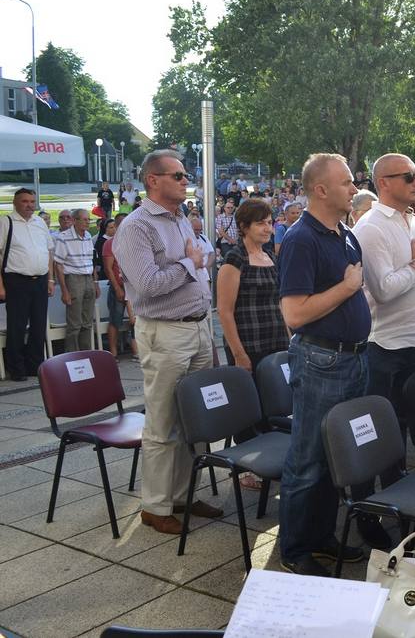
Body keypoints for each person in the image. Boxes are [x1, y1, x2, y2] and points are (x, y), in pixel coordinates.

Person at [114, 150, 222, 535]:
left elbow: (201, 259)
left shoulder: (180, 219)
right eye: (177, 175)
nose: (185, 179)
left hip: (198, 327)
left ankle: (183, 495)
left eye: (185, 174)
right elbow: (148, 285)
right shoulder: (137, 227)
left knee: (195, 419)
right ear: (152, 180)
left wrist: (199, 260)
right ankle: (155, 506)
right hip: (165, 332)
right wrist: (191, 264)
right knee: (162, 423)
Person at [277, 152, 369, 576]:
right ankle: (295, 548)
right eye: (347, 182)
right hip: (321, 361)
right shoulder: (302, 239)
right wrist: (347, 288)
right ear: (320, 189)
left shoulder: (345, 234)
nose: (354, 188)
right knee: (308, 458)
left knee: (334, 457)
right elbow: (295, 314)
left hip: (351, 358)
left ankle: (321, 538)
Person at [353, 153, 415, 549]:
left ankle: (397, 500)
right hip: (382, 344)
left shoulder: (414, 222)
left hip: (412, 341)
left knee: (401, 427)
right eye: (408, 177)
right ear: (384, 183)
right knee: (372, 431)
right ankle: (363, 510)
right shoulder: (370, 227)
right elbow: (383, 290)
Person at [217, 199, 289, 372]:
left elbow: (280, 304)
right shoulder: (235, 258)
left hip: (278, 343)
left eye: (269, 223)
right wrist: (238, 354)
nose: (268, 228)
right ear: (244, 227)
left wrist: (290, 338)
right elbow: (225, 311)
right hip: (248, 346)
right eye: (260, 223)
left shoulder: (271, 257)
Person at [0, 188, 55, 380]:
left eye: (32, 201)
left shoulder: (39, 222)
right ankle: (16, 369)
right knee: (17, 325)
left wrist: (50, 279)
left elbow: (49, 251)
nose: (29, 205)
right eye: (25, 201)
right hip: (16, 281)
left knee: (38, 325)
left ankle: (35, 366)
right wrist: (1, 285)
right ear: (15, 203)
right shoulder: (6, 222)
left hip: (40, 280)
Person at [54, 209, 99, 352]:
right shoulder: (63, 237)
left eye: (88, 219)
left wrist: (95, 283)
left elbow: (91, 261)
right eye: (84, 219)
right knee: (74, 323)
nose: (87, 222)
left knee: (87, 322)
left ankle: (85, 354)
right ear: (75, 221)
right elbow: (58, 265)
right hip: (73, 279)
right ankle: (72, 356)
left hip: (88, 278)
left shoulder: (88, 236)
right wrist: (64, 291)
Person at [101, 218, 136, 359]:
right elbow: (108, 269)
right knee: (115, 320)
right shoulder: (110, 244)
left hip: (133, 287)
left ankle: (137, 350)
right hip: (119, 286)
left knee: (136, 319)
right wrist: (117, 288)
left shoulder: (132, 242)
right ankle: (113, 353)